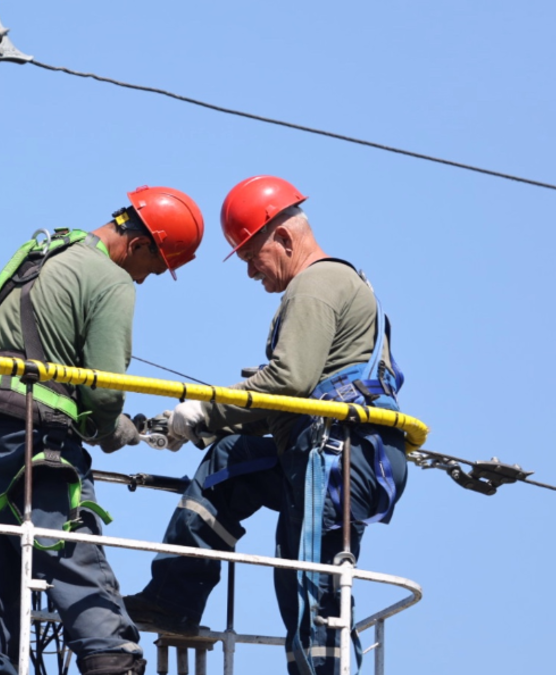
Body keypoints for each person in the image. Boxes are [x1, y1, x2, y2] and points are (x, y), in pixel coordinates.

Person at [122, 176, 409, 675]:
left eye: (252, 254)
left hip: (335, 456)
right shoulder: (336, 285)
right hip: (322, 447)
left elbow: (289, 381)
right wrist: (198, 426)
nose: (251, 270)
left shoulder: (315, 287)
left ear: (284, 238)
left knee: (309, 584)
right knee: (226, 463)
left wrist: (203, 411)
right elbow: (295, 393)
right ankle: (174, 596)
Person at [0, 186, 205, 675]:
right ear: (141, 245)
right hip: (28, 439)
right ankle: (114, 663)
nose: (146, 279)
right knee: (68, 556)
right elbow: (103, 394)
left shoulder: (41, 252)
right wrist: (113, 430)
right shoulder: (111, 278)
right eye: (155, 266)